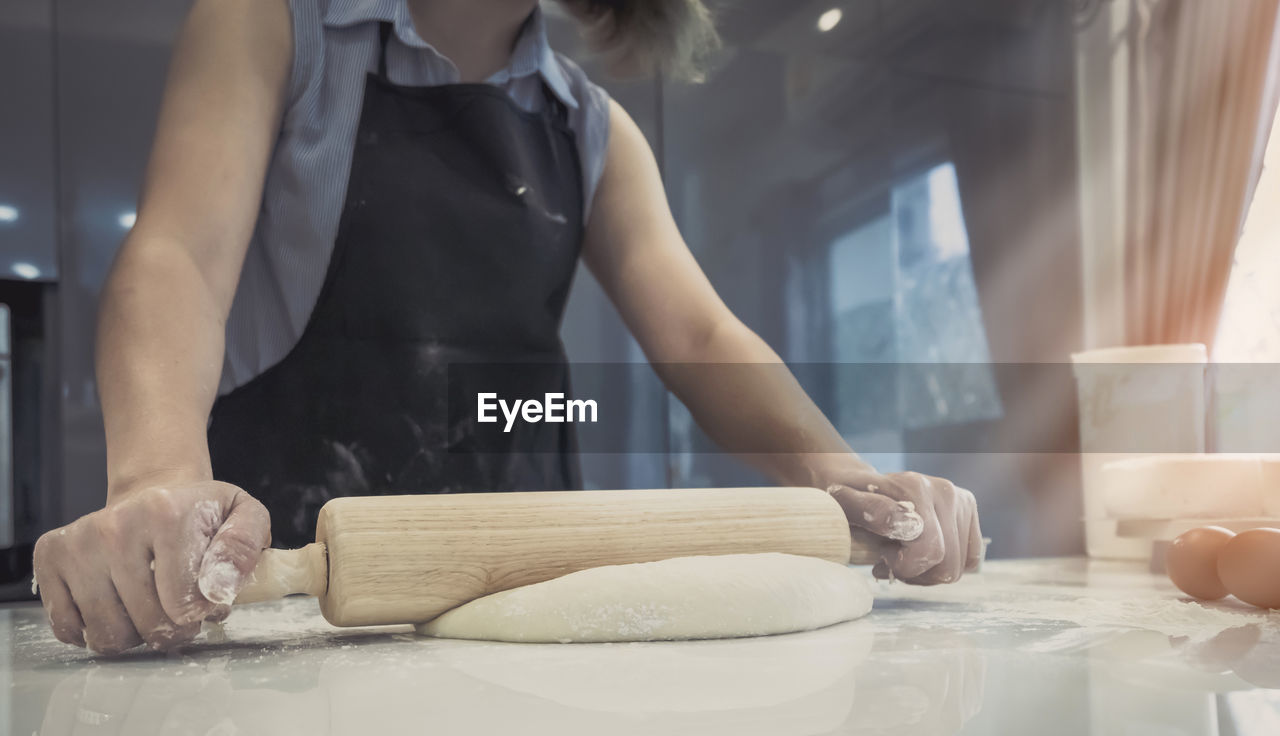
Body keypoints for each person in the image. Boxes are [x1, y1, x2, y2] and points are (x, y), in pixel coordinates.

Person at [33, 0, 982, 655]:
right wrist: (158, 482)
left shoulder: (592, 127)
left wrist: (850, 484)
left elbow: (701, 337)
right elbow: (179, 261)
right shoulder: (277, 29)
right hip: (299, 598)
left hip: (528, 584)